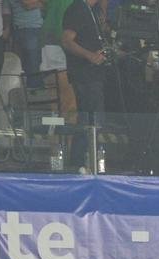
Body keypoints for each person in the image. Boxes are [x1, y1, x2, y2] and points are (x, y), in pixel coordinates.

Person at [60, 0, 108, 172]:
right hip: (84, 74)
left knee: (91, 118)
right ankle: (80, 161)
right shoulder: (77, 8)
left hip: (94, 74)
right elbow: (66, 41)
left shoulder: (92, 11)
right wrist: (89, 56)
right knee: (90, 119)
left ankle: (84, 161)